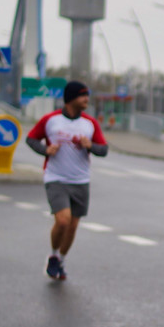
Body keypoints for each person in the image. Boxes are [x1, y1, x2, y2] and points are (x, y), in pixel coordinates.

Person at [25, 80, 108, 281]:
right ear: (71, 98)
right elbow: (31, 139)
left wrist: (90, 146)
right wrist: (45, 150)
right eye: (83, 95)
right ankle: (53, 255)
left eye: (87, 95)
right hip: (56, 177)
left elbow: (103, 150)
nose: (87, 99)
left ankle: (61, 259)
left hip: (80, 179)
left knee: (73, 225)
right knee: (63, 221)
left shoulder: (90, 123)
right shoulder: (50, 120)